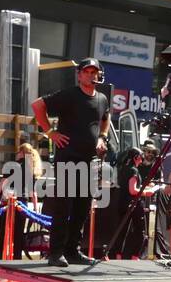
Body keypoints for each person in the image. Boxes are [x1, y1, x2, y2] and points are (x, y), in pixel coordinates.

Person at [31, 58, 111, 268]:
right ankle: (55, 253)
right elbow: (38, 105)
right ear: (79, 74)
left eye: (95, 72)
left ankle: (72, 250)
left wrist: (102, 137)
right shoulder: (69, 95)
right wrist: (50, 132)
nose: (92, 75)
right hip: (67, 159)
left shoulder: (102, 98)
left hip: (90, 162)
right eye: (87, 71)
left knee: (82, 208)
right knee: (63, 207)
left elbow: (106, 117)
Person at [0, 142, 43, 260]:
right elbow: (33, 192)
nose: (16, 153)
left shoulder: (12, 165)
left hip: (8, 201)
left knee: (2, 233)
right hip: (22, 203)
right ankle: (16, 260)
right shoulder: (31, 169)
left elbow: (2, 183)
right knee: (18, 235)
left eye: (18, 151)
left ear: (22, 153)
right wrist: (34, 209)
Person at [107, 147, 157, 259]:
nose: (142, 158)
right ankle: (135, 256)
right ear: (136, 157)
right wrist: (148, 192)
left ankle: (117, 255)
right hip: (133, 204)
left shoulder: (123, 168)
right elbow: (133, 190)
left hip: (122, 202)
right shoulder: (133, 170)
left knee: (121, 230)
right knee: (140, 230)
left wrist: (145, 187)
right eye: (140, 156)